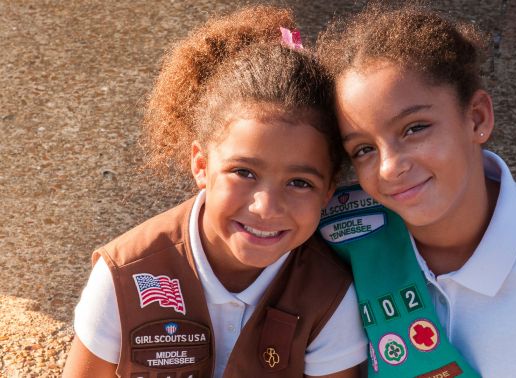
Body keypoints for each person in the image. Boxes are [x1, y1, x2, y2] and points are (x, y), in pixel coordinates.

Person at [315, 4, 516, 378]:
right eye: (363, 149)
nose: (390, 166)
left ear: (477, 117)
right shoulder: (341, 235)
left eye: (415, 128)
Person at [62, 6, 368, 378]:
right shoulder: (125, 274)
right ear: (201, 165)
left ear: (327, 191)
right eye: (244, 172)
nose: (266, 206)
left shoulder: (330, 295)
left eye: (299, 182)